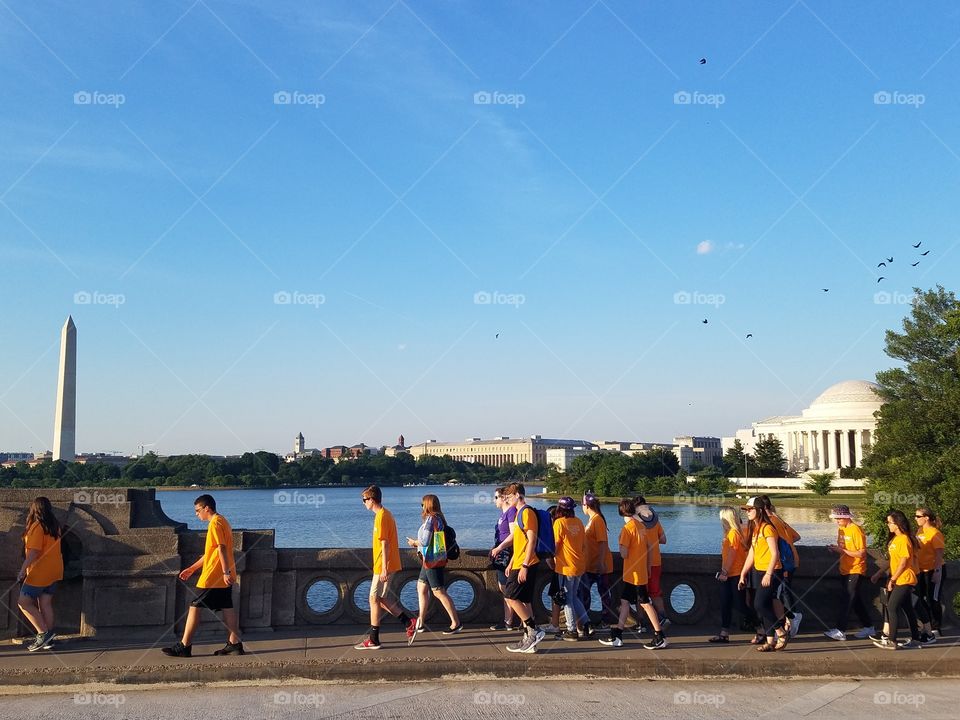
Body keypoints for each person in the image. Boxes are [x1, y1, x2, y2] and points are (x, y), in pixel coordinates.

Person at [162, 494, 243, 657]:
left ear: (207, 508)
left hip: (214, 576)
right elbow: (211, 553)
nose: (197, 514)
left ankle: (185, 645)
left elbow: (221, 549)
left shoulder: (214, 523)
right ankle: (234, 644)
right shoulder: (223, 521)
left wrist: (224, 572)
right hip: (222, 574)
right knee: (227, 607)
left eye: (198, 510)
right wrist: (192, 568)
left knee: (194, 605)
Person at [599, 498, 667, 649]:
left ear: (621, 512)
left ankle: (659, 635)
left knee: (645, 604)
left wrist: (622, 544)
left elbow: (623, 554)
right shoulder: (641, 526)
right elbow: (649, 548)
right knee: (624, 603)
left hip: (633, 574)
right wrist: (648, 567)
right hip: (639, 572)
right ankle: (618, 635)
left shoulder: (627, 529)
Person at [354, 486, 415, 650]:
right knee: (379, 599)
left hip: (383, 565)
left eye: (365, 500)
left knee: (373, 599)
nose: (363, 503)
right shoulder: (385, 514)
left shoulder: (381, 517)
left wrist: (384, 569)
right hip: (385, 564)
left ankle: (373, 640)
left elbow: (385, 544)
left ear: (372, 499)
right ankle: (408, 622)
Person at [405, 494, 462, 639]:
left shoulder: (431, 519)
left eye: (422, 504)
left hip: (432, 561)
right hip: (430, 560)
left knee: (438, 592)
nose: (422, 507)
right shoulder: (439, 518)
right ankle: (421, 622)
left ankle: (456, 623)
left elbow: (424, 541)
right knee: (421, 587)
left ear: (428, 505)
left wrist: (413, 542)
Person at [738, 496, 789, 652]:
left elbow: (775, 554)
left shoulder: (767, 528)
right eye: (746, 510)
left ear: (759, 510)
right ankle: (769, 641)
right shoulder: (755, 528)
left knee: (759, 604)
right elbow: (752, 553)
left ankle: (781, 632)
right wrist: (743, 573)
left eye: (750, 509)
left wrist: (768, 574)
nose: (747, 512)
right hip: (759, 570)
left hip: (771, 571)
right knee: (764, 605)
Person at [502, 483, 547, 654]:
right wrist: (512, 562)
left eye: (509, 497)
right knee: (525, 601)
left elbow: (532, 541)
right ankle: (529, 640)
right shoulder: (520, 514)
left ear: (517, 495)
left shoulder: (527, 513)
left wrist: (525, 566)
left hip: (526, 563)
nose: (507, 500)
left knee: (510, 596)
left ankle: (533, 630)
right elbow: (520, 542)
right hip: (519, 562)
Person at [869, 509, 922, 650]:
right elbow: (893, 561)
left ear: (898, 524)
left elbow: (903, 562)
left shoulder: (904, 539)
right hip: (899, 578)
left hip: (904, 579)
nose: (888, 525)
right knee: (908, 609)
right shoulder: (895, 539)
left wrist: (893, 579)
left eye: (890, 522)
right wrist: (880, 574)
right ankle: (916, 639)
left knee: (892, 607)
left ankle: (892, 641)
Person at [17, 497, 63, 652]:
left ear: (34, 509)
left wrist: (23, 569)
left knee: (23, 602)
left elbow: (34, 552)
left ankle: (42, 634)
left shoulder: (37, 527)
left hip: (39, 572)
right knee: (45, 603)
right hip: (55, 570)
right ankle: (49, 638)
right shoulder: (54, 526)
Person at [823, 505, 875, 641]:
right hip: (845, 568)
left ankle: (841, 630)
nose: (837, 521)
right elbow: (843, 548)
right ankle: (869, 626)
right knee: (855, 599)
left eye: (839, 518)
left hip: (856, 569)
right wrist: (835, 549)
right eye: (836, 518)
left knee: (847, 598)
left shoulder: (855, 530)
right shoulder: (841, 529)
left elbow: (861, 553)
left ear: (846, 517)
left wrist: (842, 551)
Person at [760, 495, 802, 637]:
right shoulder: (779, 520)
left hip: (783, 563)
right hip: (792, 560)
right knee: (783, 592)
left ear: (762, 508)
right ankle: (788, 620)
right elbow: (796, 536)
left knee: (777, 594)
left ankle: (791, 617)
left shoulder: (770, 523)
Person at [708, 506, 749, 643]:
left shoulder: (733, 534)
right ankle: (724, 632)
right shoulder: (730, 533)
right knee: (725, 603)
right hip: (729, 574)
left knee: (739, 605)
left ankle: (762, 628)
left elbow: (732, 553)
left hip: (735, 574)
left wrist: (724, 571)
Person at [553, 496, 591, 640]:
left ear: (560, 509)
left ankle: (571, 630)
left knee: (568, 598)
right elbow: (583, 545)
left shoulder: (559, 523)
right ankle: (586, 623)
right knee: (574, 596)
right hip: (579, 564)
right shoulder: (579, 522)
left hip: (566, 566)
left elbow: (556, 547)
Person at [579, 493, 616, 627]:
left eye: (582, 505)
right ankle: (586, 621)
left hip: (600, 565)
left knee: (604, 594)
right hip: (589, 565)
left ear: (586, 506)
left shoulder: (597, 520)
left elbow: (602, 543)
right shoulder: (591, 520)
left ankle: (606, 621)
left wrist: (600, 562)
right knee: (585, 593)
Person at [913, 507, 945, 643]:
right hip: (922, 570)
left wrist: (937, 572)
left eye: (918, 516)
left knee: (933, 599)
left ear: (926, 518)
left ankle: (936, 627)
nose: (915, 519)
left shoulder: (934, 532)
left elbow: (939, 553)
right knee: (919, 598)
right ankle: (927, 625)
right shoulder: (920, 531)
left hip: (934, 569)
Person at [488, 487, 518, 630]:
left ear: (503, 498)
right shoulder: (503, 514)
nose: (494, 501)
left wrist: (500, 548)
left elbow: (514, 534)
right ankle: (508, 620)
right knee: (503, 587)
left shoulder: (511, 511)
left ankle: (510, 621)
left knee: (506, 588)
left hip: (506, 553)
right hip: (501, 552)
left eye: (496, 497)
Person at [635, 497, 668, 627]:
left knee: (640, 594)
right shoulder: (655, 522)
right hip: (656, 561)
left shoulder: (636, 522)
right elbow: (664, 540)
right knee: (655, 593)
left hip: (641, 562)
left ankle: (641, 622)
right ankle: (663, 617)